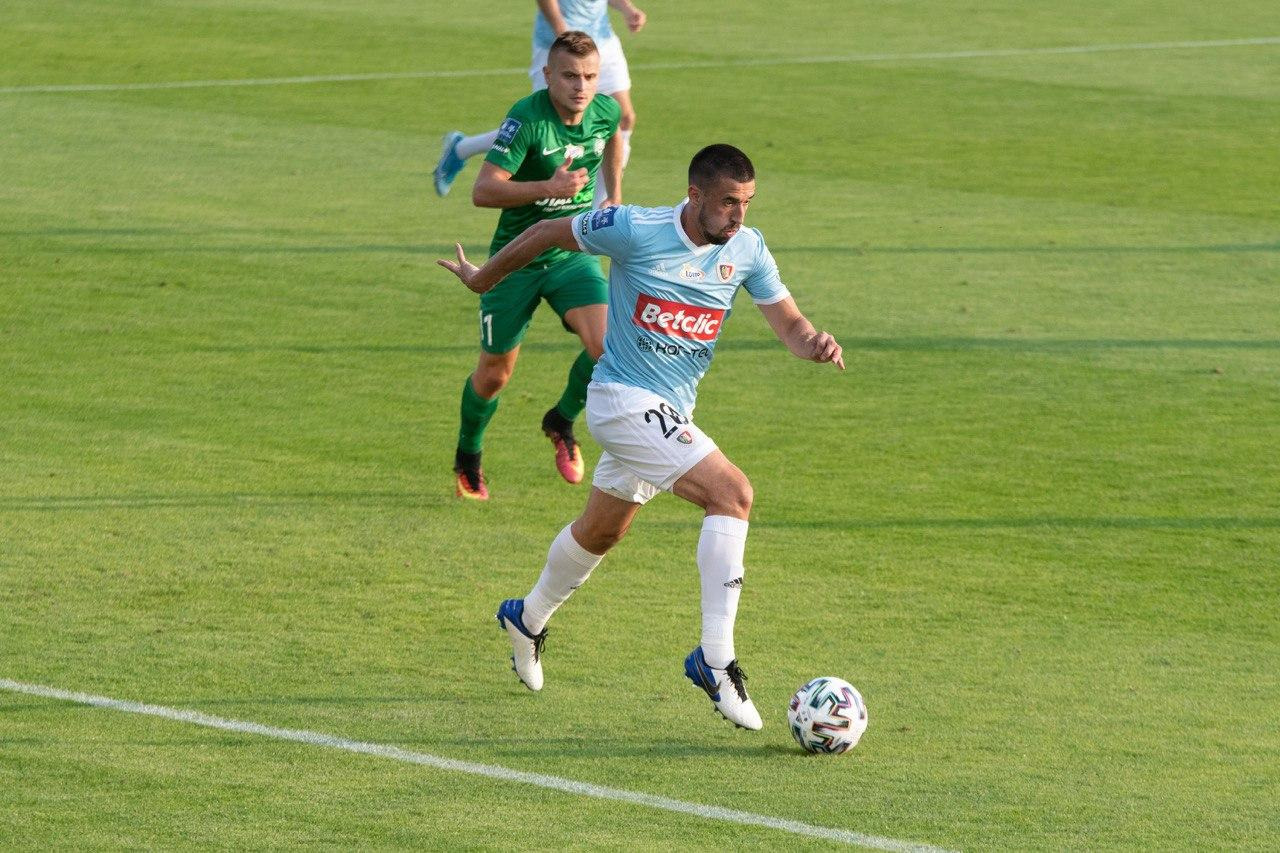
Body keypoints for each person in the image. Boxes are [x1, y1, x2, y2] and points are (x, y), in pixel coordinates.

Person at [438, 144, 844, 729]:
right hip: (620, 399)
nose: (739, 216)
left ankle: (526, 618)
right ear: (695, 195)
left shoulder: (748, 249)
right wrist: (483, 279)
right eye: (728, 203)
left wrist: (815, 344)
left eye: (747, 203)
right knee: (732, 494)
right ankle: (715, 660)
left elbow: (791, 325)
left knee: (602, 531)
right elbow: (549, 231)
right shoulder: (634, 229)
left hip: (670, 411)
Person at [451, 31, 623, 500]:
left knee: (607, 348)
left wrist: (614, 195)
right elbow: (483, 191)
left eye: (590, 76)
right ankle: (468, 454)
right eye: (570, 76)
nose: (581, 87)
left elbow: (613, 139)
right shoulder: (526, 118)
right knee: (494, 375)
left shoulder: (605, 111)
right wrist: (549, 187)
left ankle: (561, 419)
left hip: (571, 255)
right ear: (548, 75)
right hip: (516, 260)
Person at [433, 0, 646, 209]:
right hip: (558, 44)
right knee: (544, 126)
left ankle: (601, 209)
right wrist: (562, 35)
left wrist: (627, 8)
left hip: (601, 41)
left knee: (622, 118)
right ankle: (461, 148)